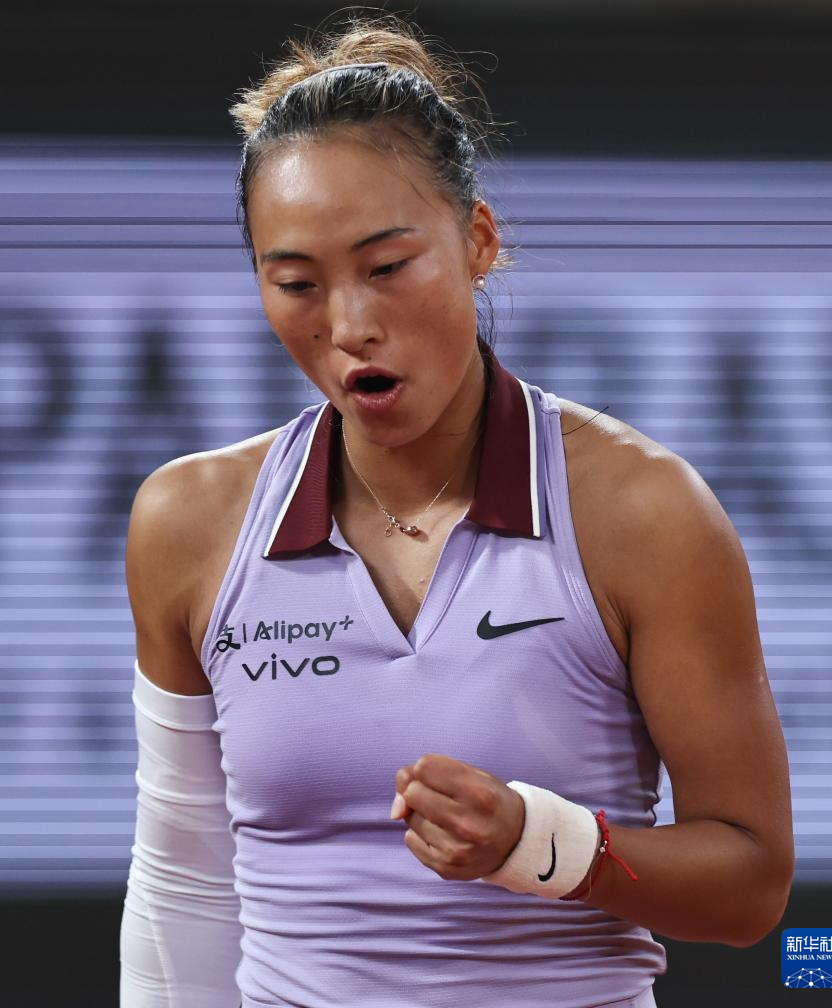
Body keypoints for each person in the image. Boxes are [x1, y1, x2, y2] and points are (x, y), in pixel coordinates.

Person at [118, 12, 795, 1008]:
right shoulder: (186, 521)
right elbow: (182, 886)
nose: (348, 323)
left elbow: (751, 885)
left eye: (387, 267)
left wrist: (543, 844)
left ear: (478, 240)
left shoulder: (645, 513)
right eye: (296, 282)